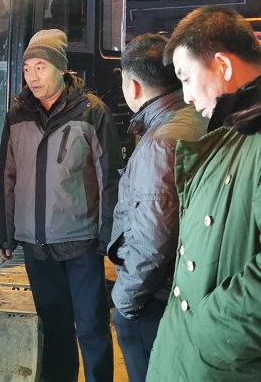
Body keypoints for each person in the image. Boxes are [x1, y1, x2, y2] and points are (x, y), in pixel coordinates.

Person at [0, 29, 122, 382]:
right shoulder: (17, 115)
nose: (32, 77)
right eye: (27, 69)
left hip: (80, 241)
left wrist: (108, 236)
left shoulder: (91, 112)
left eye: (40, 67)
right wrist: (5, 233)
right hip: (36, 245)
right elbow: (7, 176)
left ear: (61, 69)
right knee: (53, 327)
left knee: (92, 326)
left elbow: (110, 177)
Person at [145, 6, 261, 381]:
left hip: (218, 361)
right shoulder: (232, 133)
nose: (187, 97)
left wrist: (209, 330)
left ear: (223, 65)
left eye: (186, 78)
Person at [107, 33, 207, 382]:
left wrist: (125, 303)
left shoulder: (160, 142)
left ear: (133, 86)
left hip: (154, 299)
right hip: (186, 290)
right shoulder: (196, 118)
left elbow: (152, 242)